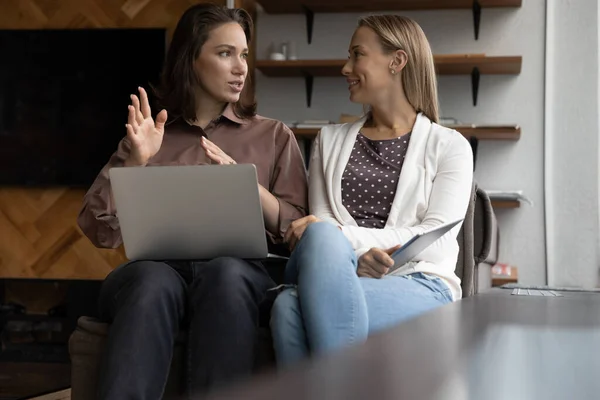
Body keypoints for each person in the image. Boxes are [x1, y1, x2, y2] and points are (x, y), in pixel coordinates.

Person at [77, 3, 307, 398]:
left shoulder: (273, 136)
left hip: (243, 274)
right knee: (151, 280)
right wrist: (134, 161)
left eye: (244, 55)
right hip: (157, 271)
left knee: (225, 274)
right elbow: (99, 230)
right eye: (225, 53)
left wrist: (245, 185)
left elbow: (299, 227)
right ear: (191, 59)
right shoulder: (151, 135)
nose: (241, 67)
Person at [270, 15, 473, 366]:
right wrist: (346, 254)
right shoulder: (328, 141)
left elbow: (437, 238)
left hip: (421, 282)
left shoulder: (450, 146)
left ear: (397, 61)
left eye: (357, 55)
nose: (346, 67)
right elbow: (325, 228)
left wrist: (346, 242)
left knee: (289, 306)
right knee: (320, 236)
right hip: (339, 272)